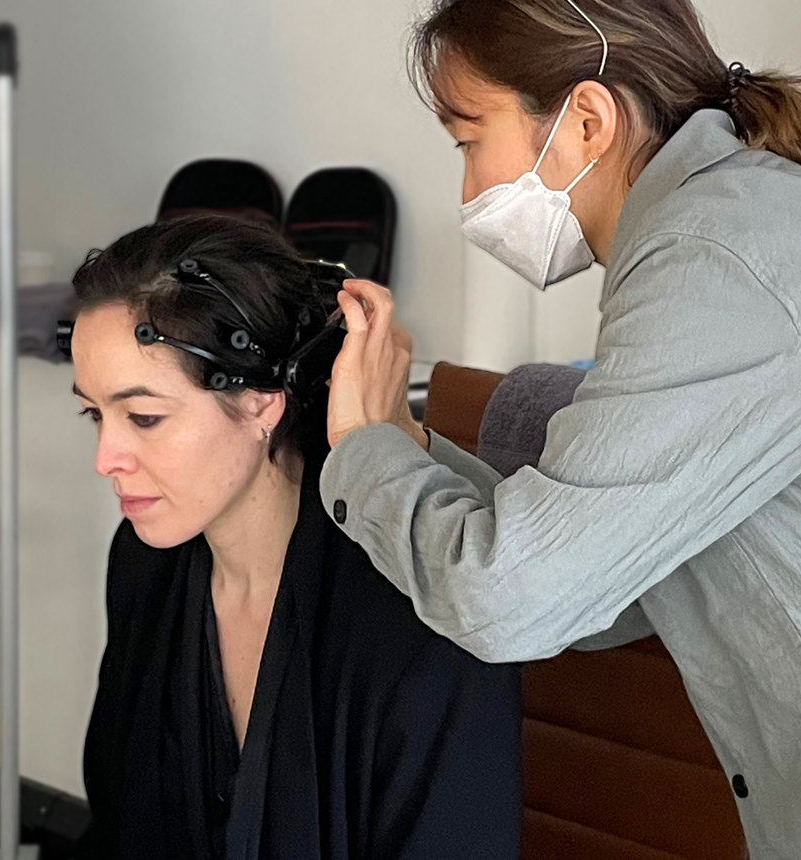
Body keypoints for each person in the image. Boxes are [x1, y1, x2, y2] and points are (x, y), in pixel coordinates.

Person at [319, 0, 801, 857]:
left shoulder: (717, 261)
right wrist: (409, 444)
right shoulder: (725, 231)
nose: (467, 190)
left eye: (469, 142)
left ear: (585, 120)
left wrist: (360, 454)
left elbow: (513, 603)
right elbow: (605, 588)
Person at [69, 215, 523, 860]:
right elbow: (117, 827)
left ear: (261, 403)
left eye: (144, 417)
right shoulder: (146, 563)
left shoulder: (415, 610)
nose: (106, 457)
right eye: (94, 413)